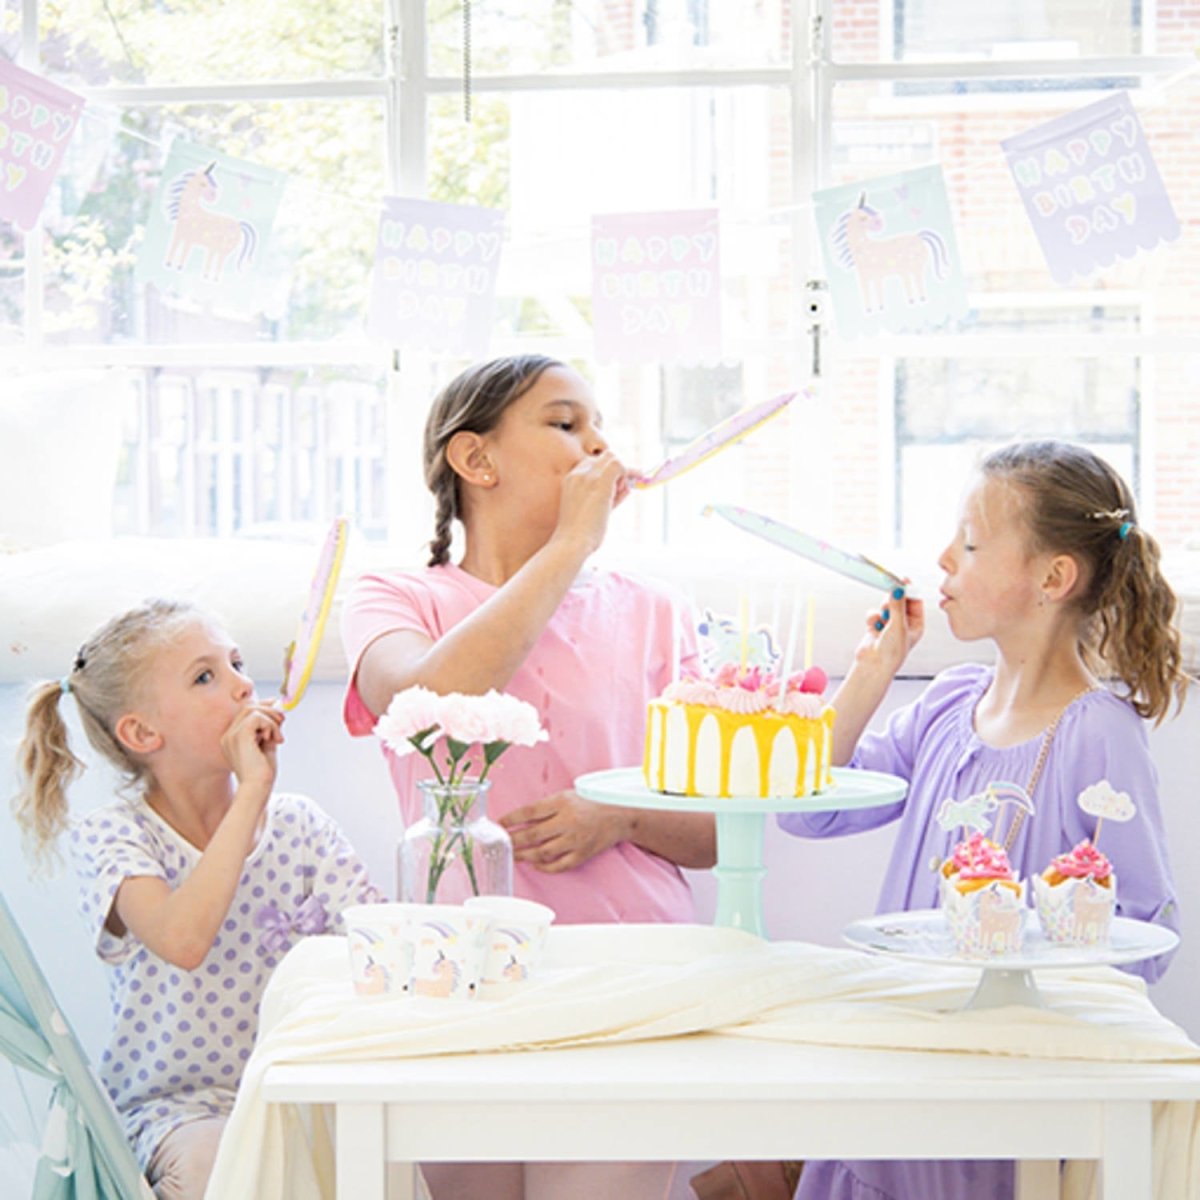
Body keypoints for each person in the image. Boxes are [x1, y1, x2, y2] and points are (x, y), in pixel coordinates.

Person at [341, 353, 716, 1199]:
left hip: (630, 977)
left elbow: (714, 836)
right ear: (475, 459)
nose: (599, 446)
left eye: (599, 426)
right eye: (565, 423)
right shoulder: (392, 596)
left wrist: (618, 816)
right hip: (455, 979)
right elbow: (427, 703)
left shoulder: (656, 610)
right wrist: (571, 545)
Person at [780, 439, 1187, 1200]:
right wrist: (871, 673)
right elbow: (809, 814)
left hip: (997, 1091)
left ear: (1052, 579)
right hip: (897, 1061)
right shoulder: (946, 704)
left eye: (969, 545)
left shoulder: (1098, 732)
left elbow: (1143, 928)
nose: (943, 560)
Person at [12, 599, 381, 1200]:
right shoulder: (116, 835)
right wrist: (252, 792)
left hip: (302, 1087)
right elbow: (182, 940)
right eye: (206, 676)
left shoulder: (300, 827)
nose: (242, 685)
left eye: (236, 663)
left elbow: (377, 952)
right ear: (142, 733)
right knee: (216, 1160)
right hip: (176, 1109)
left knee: (379, 1146)